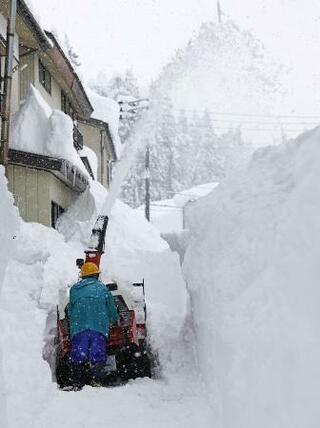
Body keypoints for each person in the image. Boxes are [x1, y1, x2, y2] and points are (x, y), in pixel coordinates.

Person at [69, 261, 119, 388]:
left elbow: (70, 309)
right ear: (96, 275)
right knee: (97, 353)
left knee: (79, 354)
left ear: (82, 276)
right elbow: (111, 309)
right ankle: (96, 380)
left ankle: (77, 382)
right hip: (98, 326)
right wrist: (114, 319)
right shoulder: (102, 288)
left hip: (79, 327)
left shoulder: (74, 289)